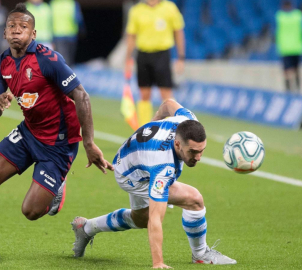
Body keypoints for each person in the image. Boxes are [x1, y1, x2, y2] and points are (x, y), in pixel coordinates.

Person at [0, 3, 113, 261]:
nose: (16, 30)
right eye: (11, 26)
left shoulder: (49, 59)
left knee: (30, 211)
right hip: (29, 133)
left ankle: (57, 185)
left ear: (33, 34)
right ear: (4, 33)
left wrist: (89, 143)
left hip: (59, 143)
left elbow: (81, 96)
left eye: (23, 27)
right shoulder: (1, 64)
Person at [71, 99, 237, 268]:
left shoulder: (188, 120)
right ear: (178, 144)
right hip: (132, 176)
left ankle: (86, 228)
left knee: (140, 220)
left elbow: (168, 103)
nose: (198, 157)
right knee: (194, 200)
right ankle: (201, 254)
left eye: (202, 151)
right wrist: (158, 263)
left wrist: (152, 124)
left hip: (134, 158)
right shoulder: (163, 166)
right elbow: (156, 218)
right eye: (193, 152)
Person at [125, 0, 185, 126]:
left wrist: (181, 57)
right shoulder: (137, 10)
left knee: (166, 93)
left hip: (162, 55)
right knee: (144, 93)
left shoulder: (169, 8)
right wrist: (128, 58)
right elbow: (131, 36)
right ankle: (145, 130)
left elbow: (178, 32)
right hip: (143, 55)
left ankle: (172, 128)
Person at [276, 0, 302, 93]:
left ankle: (288, 87)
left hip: (285, 48)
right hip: (296, 47)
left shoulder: (280, 17)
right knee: (296, 68)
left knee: (287, 69)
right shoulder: (298, 16)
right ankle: (297, 86)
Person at [50, 0, 84, 67]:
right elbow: (79, 19)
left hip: (58, 35)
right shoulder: (72, 3)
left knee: (62, 59)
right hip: (71, 36)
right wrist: (82, 31)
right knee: (69, 60)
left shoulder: (54, 4)